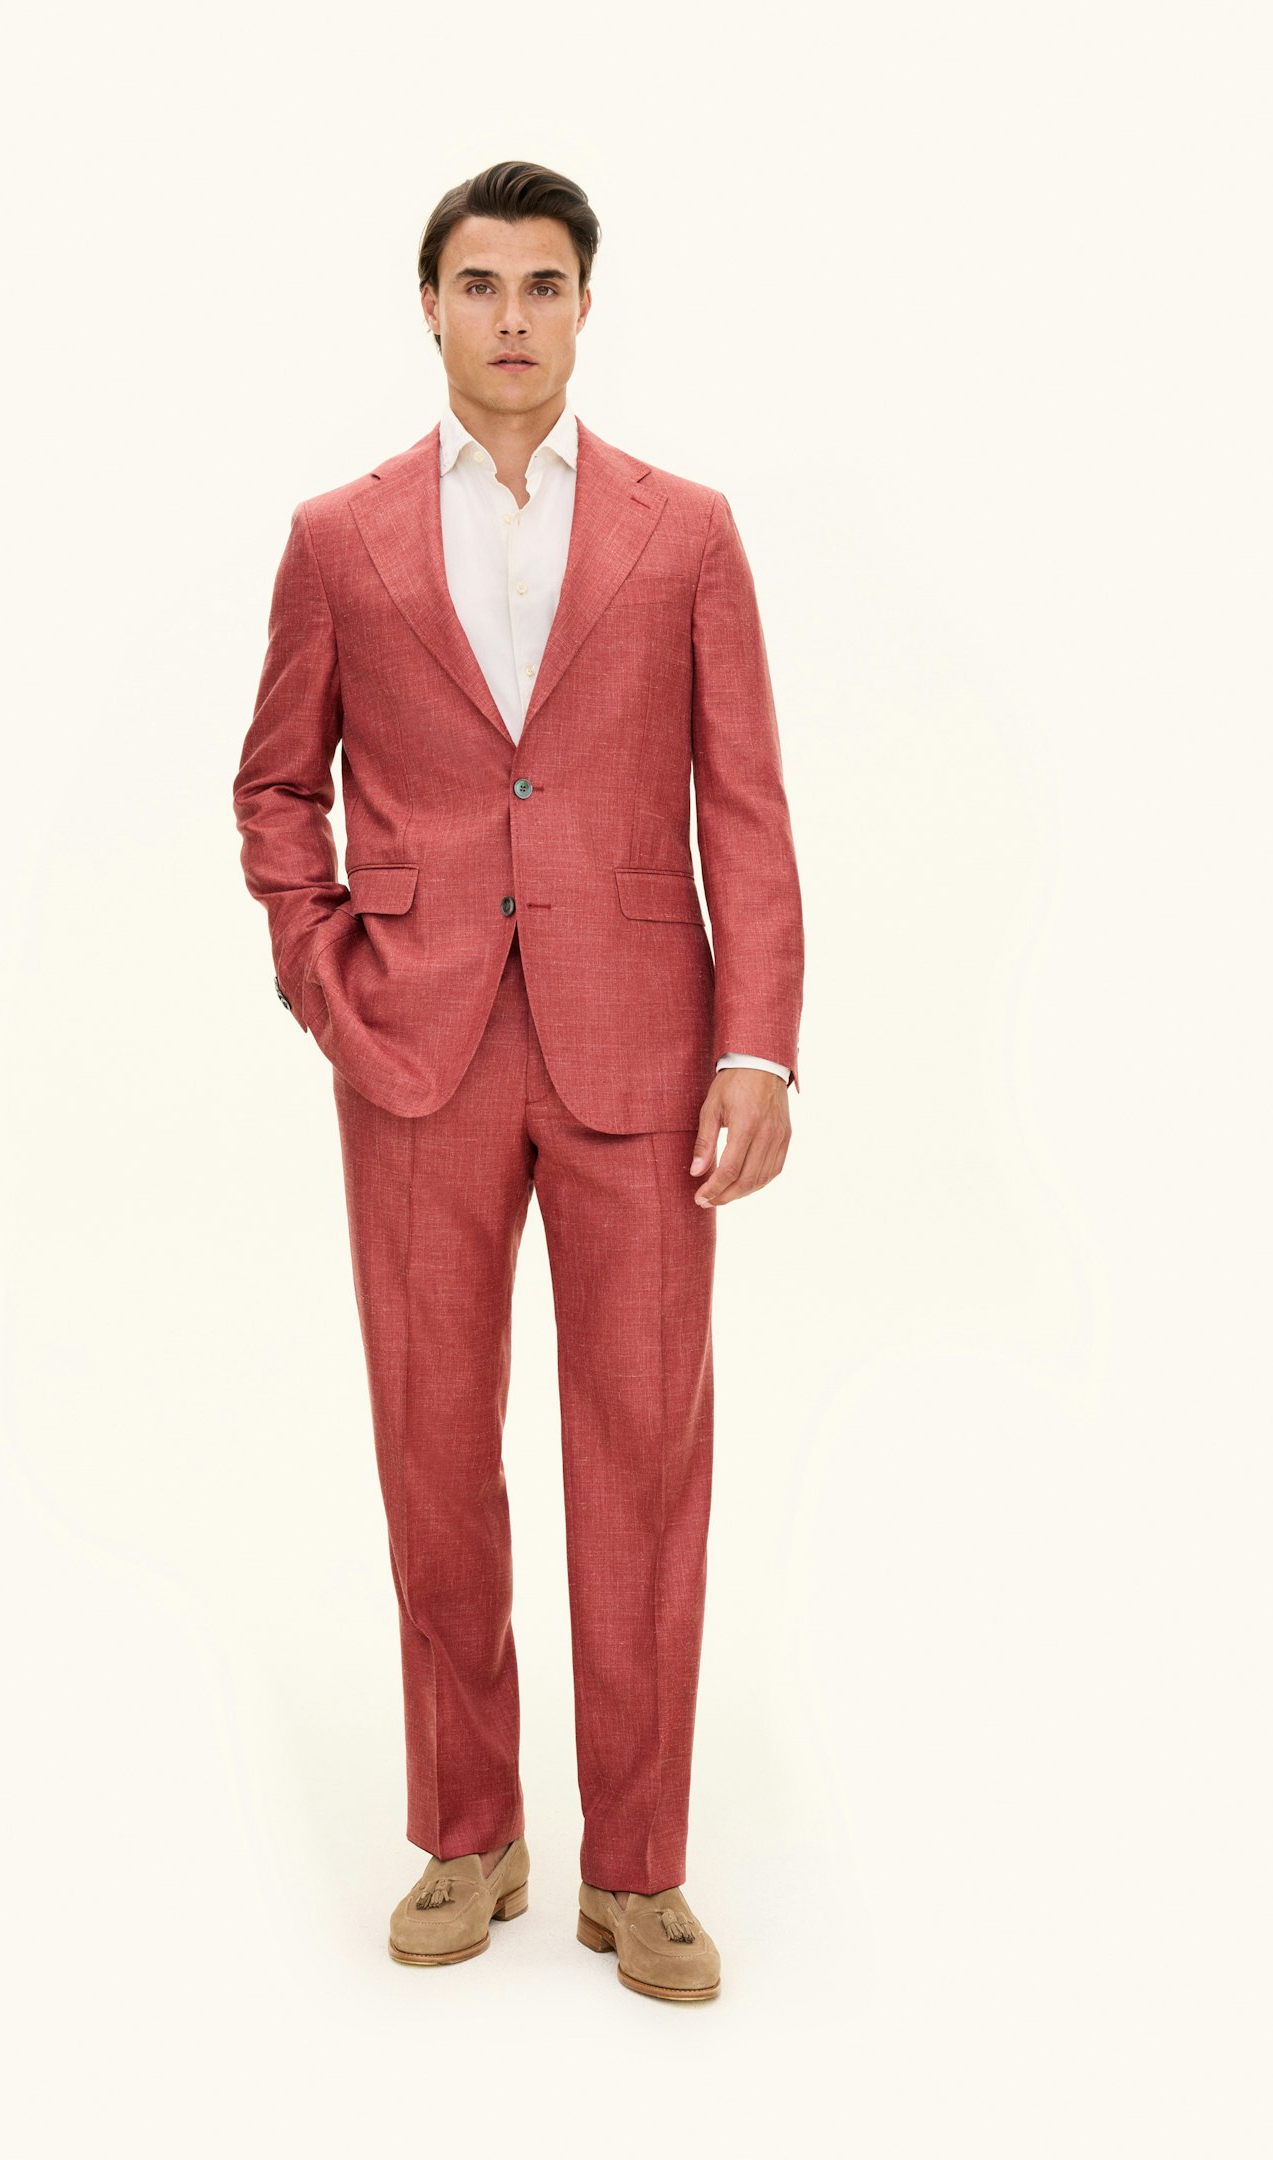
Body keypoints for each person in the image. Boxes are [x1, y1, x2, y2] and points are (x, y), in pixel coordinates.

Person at [233, 159, 804, 2004]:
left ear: (583, 308)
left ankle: (638, 1870)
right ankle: (466, 1833)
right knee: (433, 1445)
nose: (509, 316)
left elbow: (746, 803)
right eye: (478, 284)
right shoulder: (338, 536)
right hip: (414, 1047)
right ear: (429, 305)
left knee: (646, 1454)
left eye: (542, 285)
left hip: (645, 1047)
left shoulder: (685, 529)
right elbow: (276, 785)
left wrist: (757, 1044)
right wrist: (325, 974)